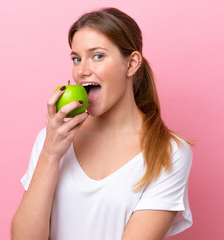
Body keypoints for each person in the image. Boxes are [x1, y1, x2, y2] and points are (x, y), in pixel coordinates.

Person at [11, 7, 194, 240]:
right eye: (76, 59)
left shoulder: (168, 152)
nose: (82, 71)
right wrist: (50, 153)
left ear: (131, 64)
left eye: (97, 56)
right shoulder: (53, 139)